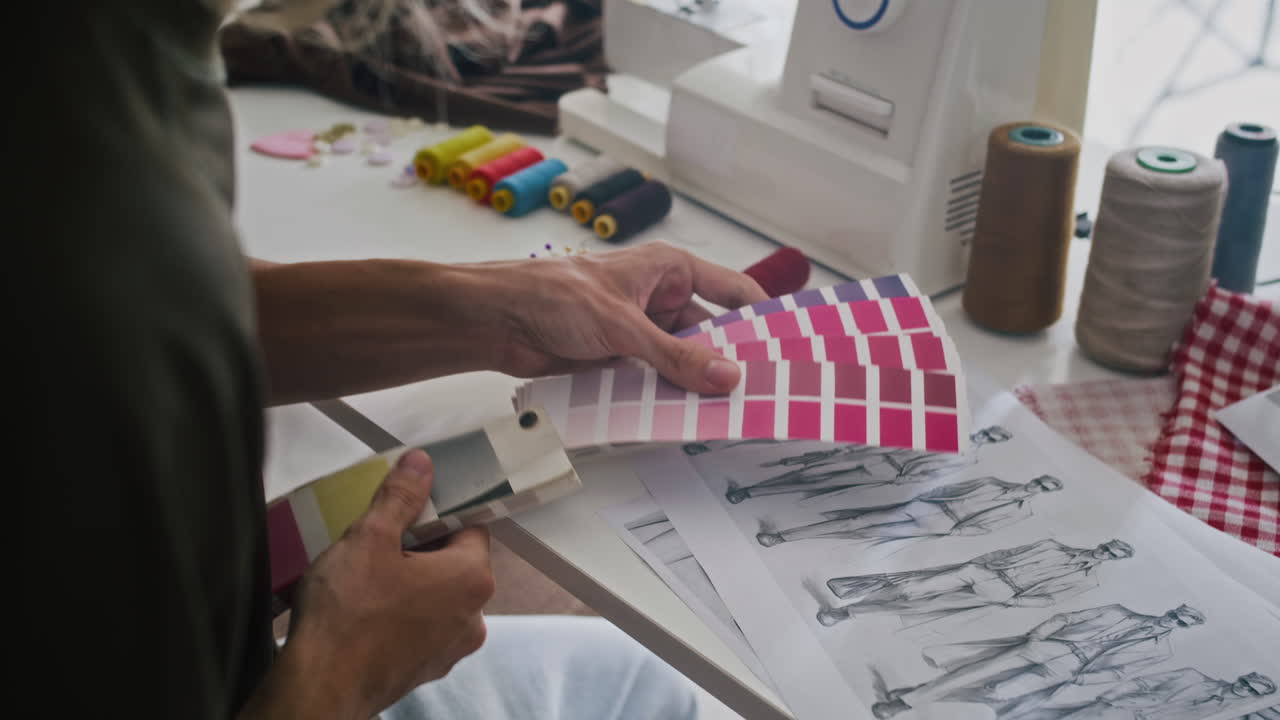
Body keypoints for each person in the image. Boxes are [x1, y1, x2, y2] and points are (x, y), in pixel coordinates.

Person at [27, 2, 769, 718]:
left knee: (637, 681)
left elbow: (151, 316)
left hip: (226, 662)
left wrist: (508, 306)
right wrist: (337, 678)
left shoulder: (102, 59)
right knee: (648, 693)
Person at [872, 604, 1207, 719]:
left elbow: (1121, 672)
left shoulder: (1160, 652)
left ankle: (922, 692)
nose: (1173, 621)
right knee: (976, 671)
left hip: (1070, 671)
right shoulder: (1118, 612)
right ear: (1171, 610)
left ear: (1184, 628)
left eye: (1181, 623)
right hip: (1047, 647)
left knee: (997, 692)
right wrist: (1038, 636)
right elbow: (1066, 617)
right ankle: (904, 703)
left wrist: (1082, 680)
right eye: (1175, 615)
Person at [816, 538, 1134, 627]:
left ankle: (847, 614)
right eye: (1108, 547)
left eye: (1112, 554)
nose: (1105, 552)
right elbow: (1009, 551)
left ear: (1114, 560)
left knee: (920, 607)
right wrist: (978, 563)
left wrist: (1012, 601)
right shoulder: (1052, 546)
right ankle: (850, 603)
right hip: (982, 571)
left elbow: (1050, 599)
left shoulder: (1087, 581)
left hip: (1004, 592)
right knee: (910, 589)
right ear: (1104, 543)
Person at [722, 426, 1013, 504]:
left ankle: (752, 493)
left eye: (992, 438)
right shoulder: (947, 427)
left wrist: (904, 478)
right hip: (876, 454)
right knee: (810, 471)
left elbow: (933, 474)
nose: (985, 436)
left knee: (822, 483)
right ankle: (753, 488)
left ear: (993, 443)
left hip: (890, 472)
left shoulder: (969, 459)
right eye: (989, 431)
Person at [754, 475, 1063, 546]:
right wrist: (927, 497)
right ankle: (783, 536)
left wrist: (954, 533)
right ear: (1035, 479)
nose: (1038, 486)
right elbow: (952, 488)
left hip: (941, 526)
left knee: (869, 536)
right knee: (857, 521)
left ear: (1047, 494)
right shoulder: (992, 482)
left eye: (1045, 488)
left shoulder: (1022, 511)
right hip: (928, 507)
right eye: (1040, 481)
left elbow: (987, 527)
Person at [1019, 668, 1275, 720]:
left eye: (1252, 691)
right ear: (1241, 677)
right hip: (1117, 711)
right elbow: (1140, 682)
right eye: (1246, 683)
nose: (1245, 689)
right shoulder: (1193, 676)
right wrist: (1109, 698)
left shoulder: (1232, 712)